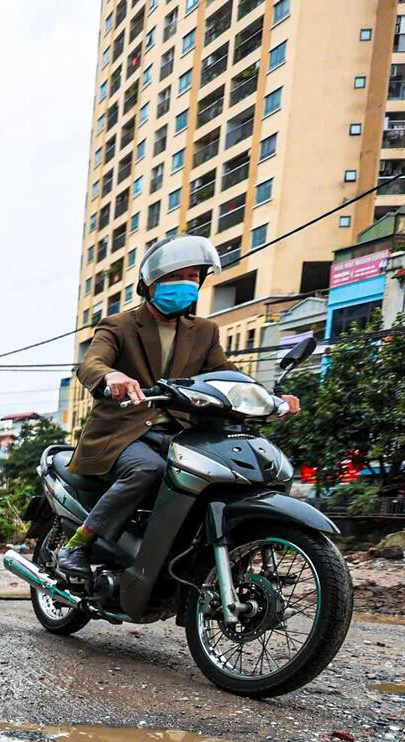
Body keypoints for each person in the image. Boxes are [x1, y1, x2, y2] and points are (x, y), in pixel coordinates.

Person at [59, 234, 298, 581]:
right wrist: (112, 378)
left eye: (193, 277)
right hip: (125, 433)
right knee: (148, 470)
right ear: (151, 282)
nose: (186, 285)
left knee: (229, 472)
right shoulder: (119, 325)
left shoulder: (204, 332)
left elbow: (228, 375)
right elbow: (91, 364)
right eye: (177, 277)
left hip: (184, 434)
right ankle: (79, 543)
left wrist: (271, 400)